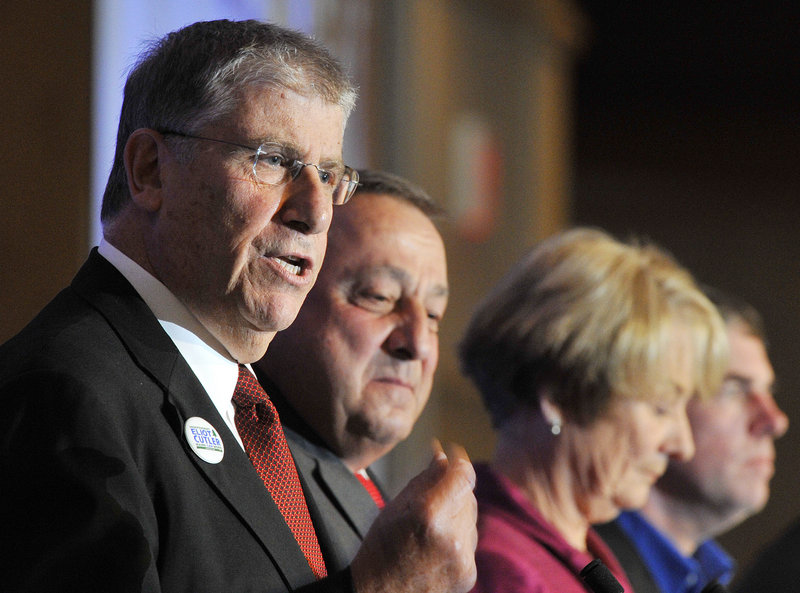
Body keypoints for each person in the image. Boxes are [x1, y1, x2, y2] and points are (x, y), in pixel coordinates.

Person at [0, 19, 476, 593]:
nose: (317, 212)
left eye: (329, 175)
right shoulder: (65, 395)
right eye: (274, 160)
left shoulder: (250, 412)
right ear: (151, 169)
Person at [458, 227, 730, 593]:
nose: (683, 446)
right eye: (662, 408)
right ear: (559, 396)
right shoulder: (500, 570)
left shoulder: (579, 548)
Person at [254, 169, 449, 570]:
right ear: (290, 293)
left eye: (433, 314)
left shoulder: (365, 487)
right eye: (379, 296)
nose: (417, 343)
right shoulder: (251, 479)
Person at [596, 288, 788, 593]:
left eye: (768, 392)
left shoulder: (709, 580)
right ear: (662, 399)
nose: (775, 421)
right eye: (734, 390)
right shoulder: (584, 569)